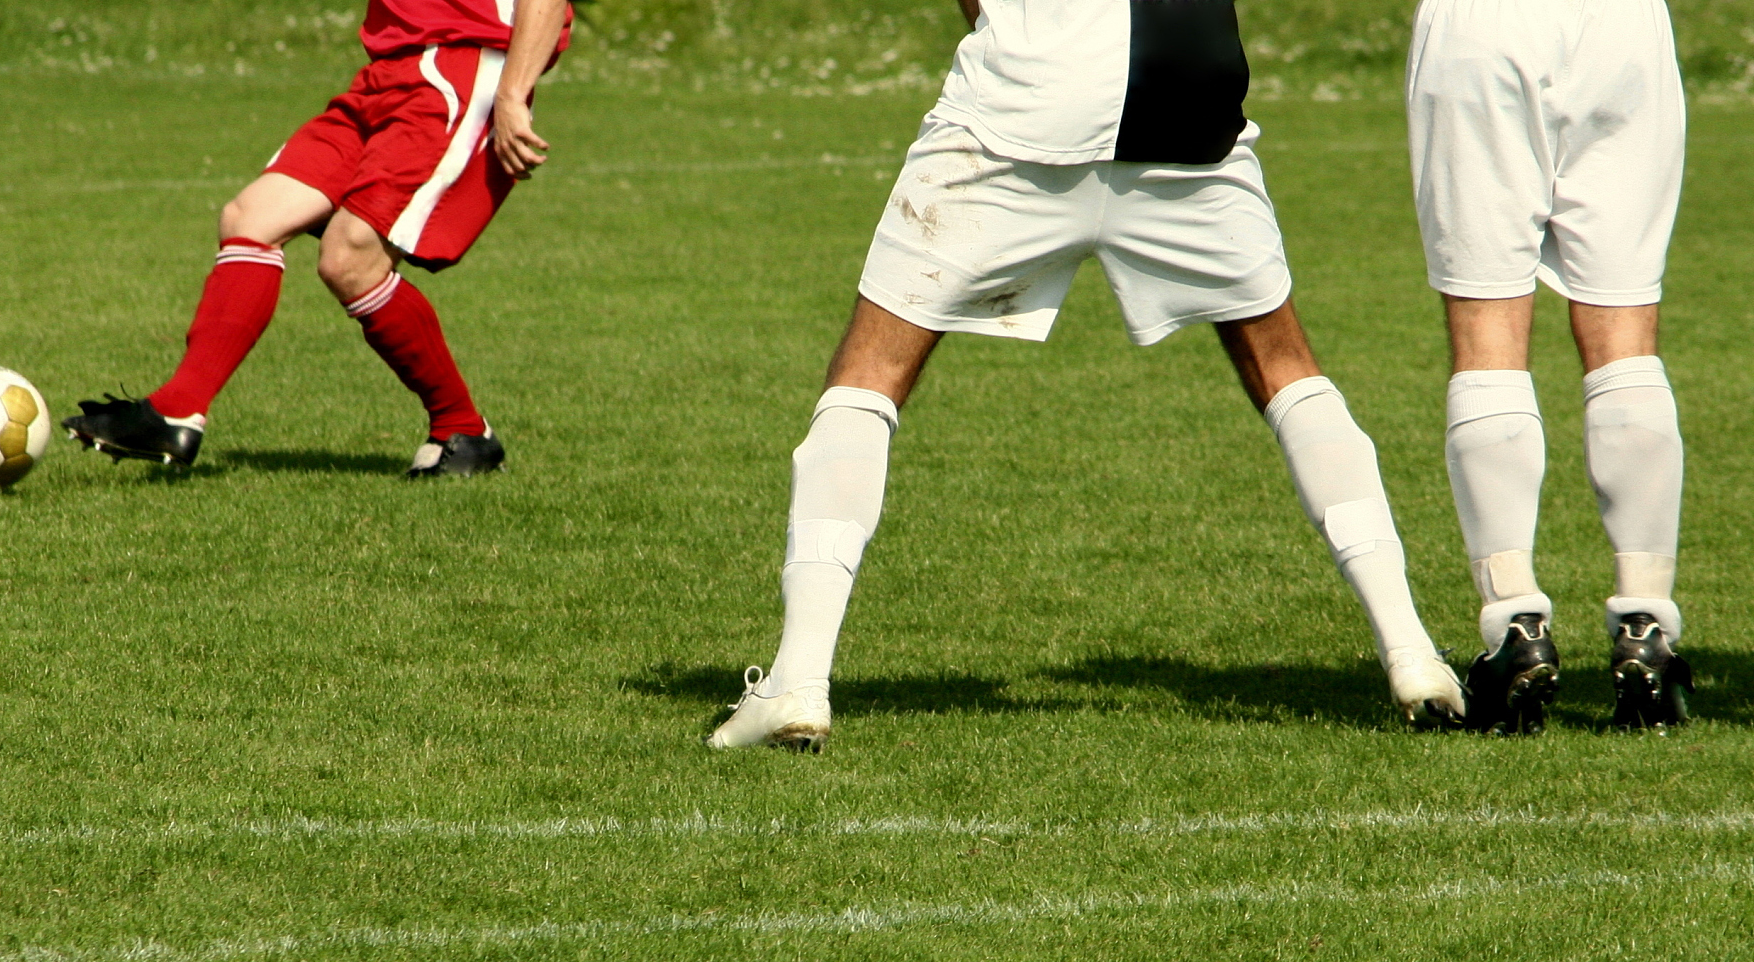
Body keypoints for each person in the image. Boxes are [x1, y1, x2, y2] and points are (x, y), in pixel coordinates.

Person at [708, 0, 1463, 752]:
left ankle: (799, 681)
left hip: (1033, 103)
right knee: (1285, 365)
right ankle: (1413, 655)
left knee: (869, 372)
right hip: (1187, 95)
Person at [61, 0, 570, 477]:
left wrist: (510, 92)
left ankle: (462, 428)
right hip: (390, 69)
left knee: (350, 258)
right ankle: (176, 412)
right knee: (250, 217)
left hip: (465, 68)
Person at [1405, 0, 1692, 731]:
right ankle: (1646, 629)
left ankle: (1515, 628)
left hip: (1487, 27)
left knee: (1488, 331)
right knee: (1625, 329)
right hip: (1624, 28)